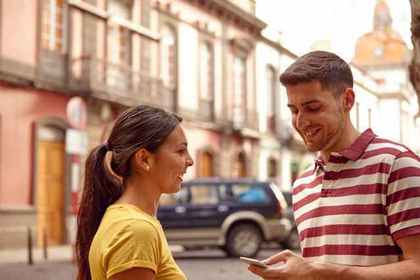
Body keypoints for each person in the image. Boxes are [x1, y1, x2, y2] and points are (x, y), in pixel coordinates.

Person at [248, 51, 420, 279]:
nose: (301, 121)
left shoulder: (397, 166)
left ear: (347, 100)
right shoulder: (303, 183)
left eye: (313, 107)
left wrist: (327, 272)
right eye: (294, 110)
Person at [75, 105, 194, 280]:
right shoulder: (136, 230)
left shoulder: (134, 222)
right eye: (180, 151)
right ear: (144, 159)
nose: (190, 161)